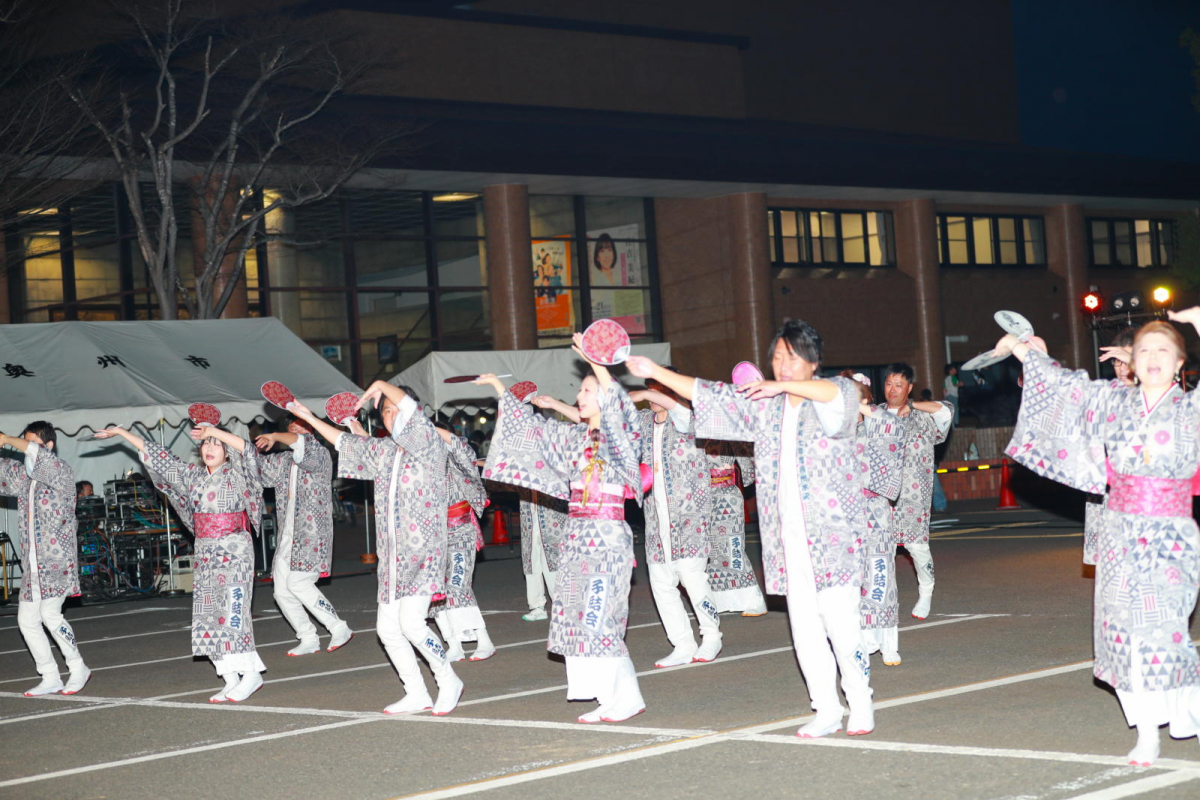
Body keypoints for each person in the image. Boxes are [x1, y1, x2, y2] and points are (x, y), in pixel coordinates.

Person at [627, 318, 875, 738]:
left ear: (813, 362)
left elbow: (836, 392)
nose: (782, 366)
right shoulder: (766, 408)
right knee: (806, 632)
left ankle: (861, 702)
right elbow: (711, 395)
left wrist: (784, 387)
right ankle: (826, 709)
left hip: (833, 541)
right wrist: (655, 373)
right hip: (788, 542)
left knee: (842, 627)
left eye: (792, 358)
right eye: (777, 358)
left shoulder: (837, 395)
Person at [1000, 313, 1200, 766]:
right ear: (1131, 360)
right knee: (1125, 636)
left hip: (1169, 539)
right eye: (1144, 350)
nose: (1152, 358)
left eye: (1163, 351)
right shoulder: (1113, 400)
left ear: (1180, 363)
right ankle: (1147, 733)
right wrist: (1027, 350)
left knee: (1162, 635)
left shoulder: (1191, 409)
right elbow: (1066, 388)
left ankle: (1187, 707)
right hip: (1117, 534)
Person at [478, 333, 646, 724]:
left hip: (606, 540)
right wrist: (501, 389)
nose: (581, 395)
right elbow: (532, 430)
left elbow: (617, 409)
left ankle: (627, 696)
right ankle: (611, 695)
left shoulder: (620, 436)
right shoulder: (573, 437)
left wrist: (598, 364)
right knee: (574, 615)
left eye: (588, 389)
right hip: (576, 540)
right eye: (582, 389)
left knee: (600, 619)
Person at [290, 383, 463, 716]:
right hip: (392, 560)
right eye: (385, 410)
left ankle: (448, 679)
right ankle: (416, 692)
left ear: (415, 415)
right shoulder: (384, 451)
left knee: (412, 624)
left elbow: (407, 410)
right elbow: (343, 441)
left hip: (424, 554)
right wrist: (309, 418)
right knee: (387, 630)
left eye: (397, 409)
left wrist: (383, 386)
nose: (392, 414)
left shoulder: (427, 443)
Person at [95, 423, 265, 702]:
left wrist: (215, 431)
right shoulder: (192, 475)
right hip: (207, 551)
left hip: (235, 552)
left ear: (226, 450)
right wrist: (122, 434)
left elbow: (247, 451)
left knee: (234, 614)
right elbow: (161, 458)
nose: (209, 448)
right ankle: (230, 677)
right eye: (205, 444)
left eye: (216, 444)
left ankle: (251, 675)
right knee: (208, 615)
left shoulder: (238, 473)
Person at [629, 379, 722, 668]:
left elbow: (679, 409)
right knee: (661, 582)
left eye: (661, 392)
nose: (654, 398)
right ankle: (682, 643)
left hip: (689, 515)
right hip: (656, 518)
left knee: (692, 578)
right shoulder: (644, 421)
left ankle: (712, 636)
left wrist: (647, 391)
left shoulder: (686, 418)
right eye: (650, 392)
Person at [1, 422, 91, 697]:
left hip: (57, 561)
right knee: (27, 620)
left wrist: (5, 438)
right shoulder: (23, 475)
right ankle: (50, 675)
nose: (26, 448)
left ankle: (78, 668)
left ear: (48, 446)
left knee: (50, 614)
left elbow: (34, 453)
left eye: (32, 444)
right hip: (33, 564)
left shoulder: (60, 471)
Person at [255, 418, 352, 657]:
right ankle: (308, 636)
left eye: (301, 428)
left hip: (312, 532)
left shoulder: (319, 454)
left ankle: (338, 626)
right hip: (288, 533)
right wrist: (227, 446)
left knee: (299, 583)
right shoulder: (283, 460)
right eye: (292, 428)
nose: (296, 432)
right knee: (281, 591)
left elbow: (302, 444)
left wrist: (276, 435)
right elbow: (255, 467)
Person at [844, 372, 908, 666]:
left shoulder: (882, 424)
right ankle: (865, 638)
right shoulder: (837, 433)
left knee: (881, 573)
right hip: (848, 517)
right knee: (856, 578)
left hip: (876, 512)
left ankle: (888, 642)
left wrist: (864, 409)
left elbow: (896, 431)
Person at [881, 363, 954, 620]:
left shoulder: (921, 416)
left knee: (917, 547)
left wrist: (912, 406)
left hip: (913, 495)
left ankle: (926, 591)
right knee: (881, 551)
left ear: (909, 388)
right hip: (880, 497)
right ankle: (883, 600)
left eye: (899, 384)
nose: (893, 389)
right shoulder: (875, 414)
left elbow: (947, 410)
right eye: (889, 383)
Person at [431, 421, 495, 662]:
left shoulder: (458, 457)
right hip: (433, 537)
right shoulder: (422, 463)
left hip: (460, 532)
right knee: (434, 593)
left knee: (458, 586)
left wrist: (423, 424)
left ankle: (484, 640)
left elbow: (460, 447)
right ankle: (454, 643)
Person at [704, 439, 766, 616]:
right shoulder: (690, 426)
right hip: (702, 498)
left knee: (733, 547)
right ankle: (721, 601)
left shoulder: (725, 426)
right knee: (713, 551)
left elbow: (745, 450)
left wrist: (748, 472)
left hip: (726, 495)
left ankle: (753, 600)